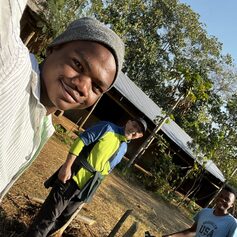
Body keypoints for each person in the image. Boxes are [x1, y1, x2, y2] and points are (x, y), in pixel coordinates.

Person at [0, 0, 125, 200]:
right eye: (78, 65)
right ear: (53, 48)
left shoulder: (44, 128)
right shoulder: (13, 65)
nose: (83, 86)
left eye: (96, 87)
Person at [26, 118, 147, 237]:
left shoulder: (124, 147)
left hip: (87, 187)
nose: (134, 130)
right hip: (72, 177)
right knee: (49, 216)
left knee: (62, 220)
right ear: (128, 122)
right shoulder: (107, 128)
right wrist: (67, 167)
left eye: (139, 131)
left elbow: (107, 169)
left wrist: (91, 190)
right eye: (135, 125)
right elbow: (81, 141)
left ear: (139, 136)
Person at [162, 185, 237, 237]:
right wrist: (171, 236)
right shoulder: (204, 212)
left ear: (232, 205)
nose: (222, 199)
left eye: (227, 199)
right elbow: (193, 231)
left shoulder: (233, 223)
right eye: (221, 196)